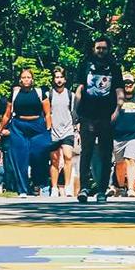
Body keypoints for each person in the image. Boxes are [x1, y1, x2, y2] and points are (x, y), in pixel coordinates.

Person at [73, 38, 125, 202]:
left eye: (104, 48)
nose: (101, 51)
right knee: (86, 152)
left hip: (106, 115)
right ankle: (84, 188)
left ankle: (102, 189)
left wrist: (117, 109)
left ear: (108, 49)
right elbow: (79, 89)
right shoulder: (86, 64)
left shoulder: (114, 67)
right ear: (93, 48)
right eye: (98, 48)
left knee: (105, 153)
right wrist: (75, 110)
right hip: (87, 114)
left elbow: (119, 91)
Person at [0, 67, 51, 197]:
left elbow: (48, 112)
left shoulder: (40, 92)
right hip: (18, 126)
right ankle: (22, 189)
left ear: (32, 79)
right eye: (24, 77)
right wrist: (0, 129)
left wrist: (48, 128)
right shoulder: (15, 94)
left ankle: (39, 184)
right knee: (20, 157)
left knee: (37, 154)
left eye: (28, 77)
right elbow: (7, 114)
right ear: (20, 80)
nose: (26, 79)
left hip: (37, 125)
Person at [46, 67, 78, 198]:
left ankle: (68, 185)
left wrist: (76, 128)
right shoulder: (49, 95)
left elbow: (75, 113)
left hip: (67, 130)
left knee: (68, 157)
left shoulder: (71, 95)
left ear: (65, 79)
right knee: (54, 160)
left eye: (61, 77)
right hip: (53, 131)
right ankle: (54, 187)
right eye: (56, 77)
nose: (59, 80)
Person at [111, 101, 135, 199]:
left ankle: (130, 188)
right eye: (126, 84)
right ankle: (121, 187)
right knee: (119, 164)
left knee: (130, 159)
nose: (129, 84)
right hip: (117, 137)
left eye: (131, 83)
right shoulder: (115, 99)